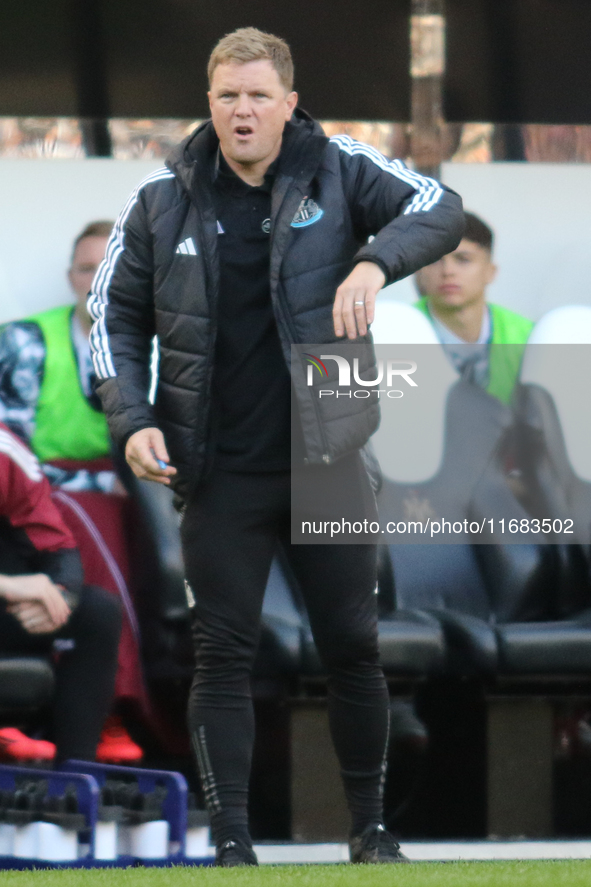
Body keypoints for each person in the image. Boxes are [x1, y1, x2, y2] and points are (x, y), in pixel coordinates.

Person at [88, 27, 464, 866]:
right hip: (217, 467)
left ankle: (369, 829)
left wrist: (372, 262)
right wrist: (135, 417)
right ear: (209, 102)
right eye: (227, 96)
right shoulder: (161, 196)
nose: (242, 110)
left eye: (258, 95)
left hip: (327, 459)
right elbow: (110, 318)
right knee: (222, 654)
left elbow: (438, 208)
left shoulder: (340, 164)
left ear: (289, 101)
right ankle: (231, 843)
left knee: (351, 644)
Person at [0, 221, 145, 762]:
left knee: (152, 537)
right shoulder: (25, 341)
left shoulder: (159, 348)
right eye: (88, 269)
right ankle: (111, 706)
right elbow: (26, 453)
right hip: (73, 495)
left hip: (126, 491)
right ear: (70, 278)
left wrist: (55, 596)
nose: (99, 282)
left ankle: (77, 776)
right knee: (91, 516)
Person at [0, 423, 121, 763]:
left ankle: (72, 784)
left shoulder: (5, 449)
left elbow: (59, 548)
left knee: (97, 612)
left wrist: (59, 597)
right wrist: (8, 586)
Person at [414, 211, 534, 404]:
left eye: (463, 259)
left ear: (490, 271)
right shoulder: (394, 329)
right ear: (419, 271)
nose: (448, 271)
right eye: (434, 259)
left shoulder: (528, 336)